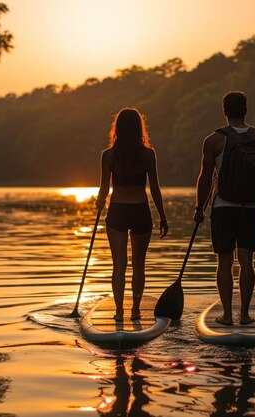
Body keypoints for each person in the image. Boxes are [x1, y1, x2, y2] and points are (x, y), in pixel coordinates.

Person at [194, 91, 255, 325]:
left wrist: (199, 207)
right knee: (247, 262)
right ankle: (245, 315)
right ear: (245, 110)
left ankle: (227, 316)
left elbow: (205, 178)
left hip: (223, 208)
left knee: (224, 263)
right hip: (251, 207)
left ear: (224, 111)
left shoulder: (214, 140)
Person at [96, 108, 168, 322]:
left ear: (117, 128)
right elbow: (154, 188)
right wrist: (163, 217)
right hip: (140, 212)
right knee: (139, 264)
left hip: (117, 211)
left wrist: (99, 203)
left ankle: (119, 312)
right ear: (139, 128)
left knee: (119, 265)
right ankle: (135, 310)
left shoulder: (108, 155)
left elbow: (103, 189)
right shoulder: (148, 154)